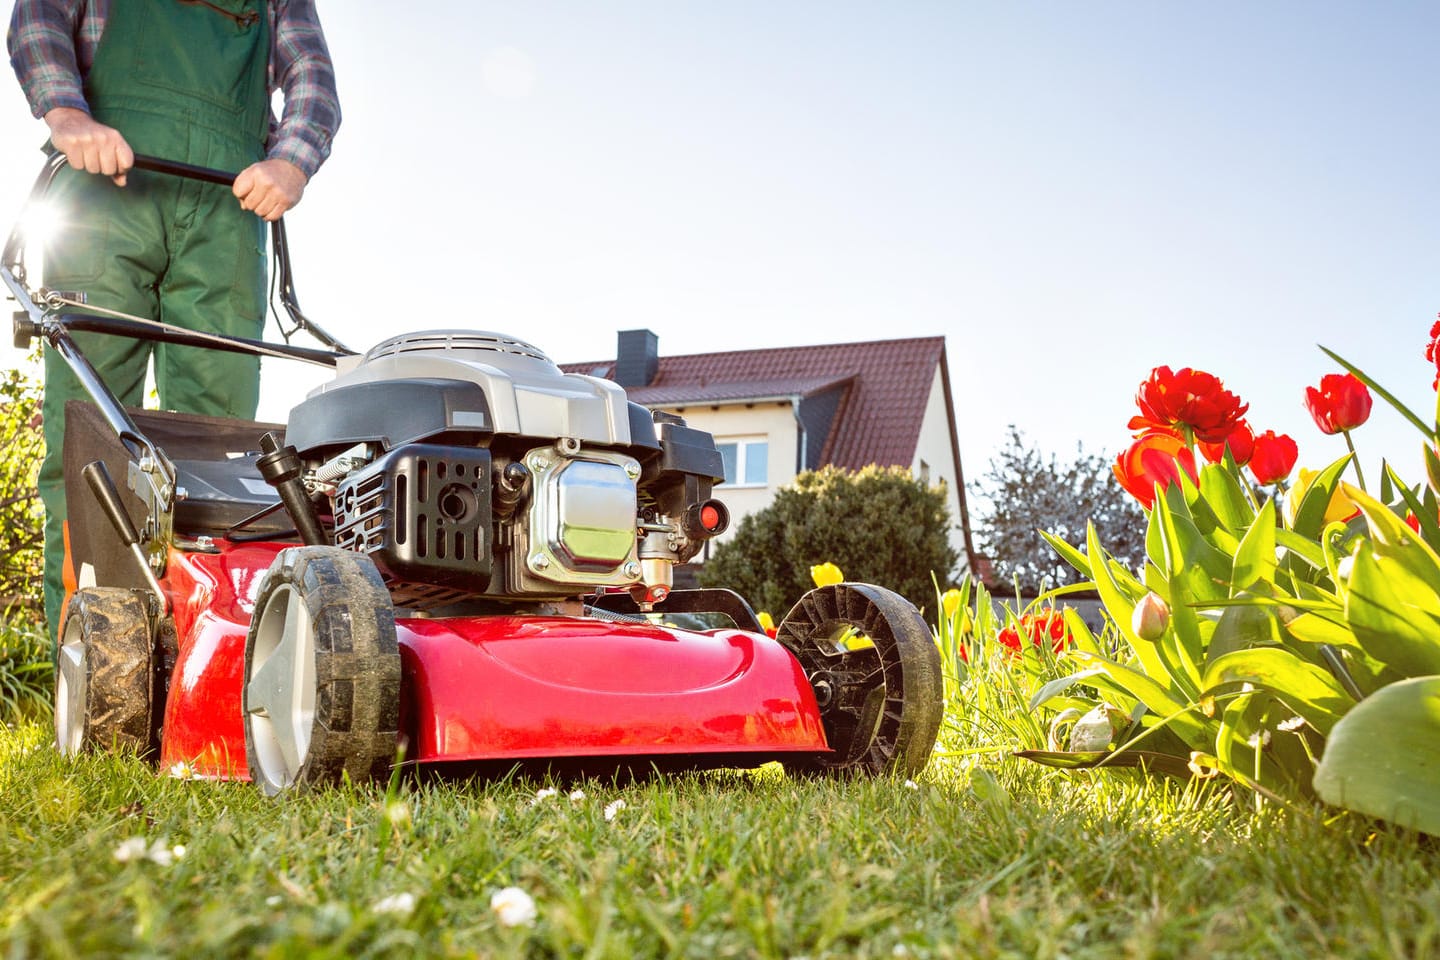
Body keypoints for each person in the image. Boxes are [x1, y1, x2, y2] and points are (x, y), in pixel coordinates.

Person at [7, 0, 341, 642]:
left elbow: (313, 79)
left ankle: (201, 660)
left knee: (225, 452)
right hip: (100, 198)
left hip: (228, 210)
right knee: (89, 443)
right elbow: (38, 18)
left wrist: (291, 161)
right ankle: (88, 672)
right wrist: (69, 114)